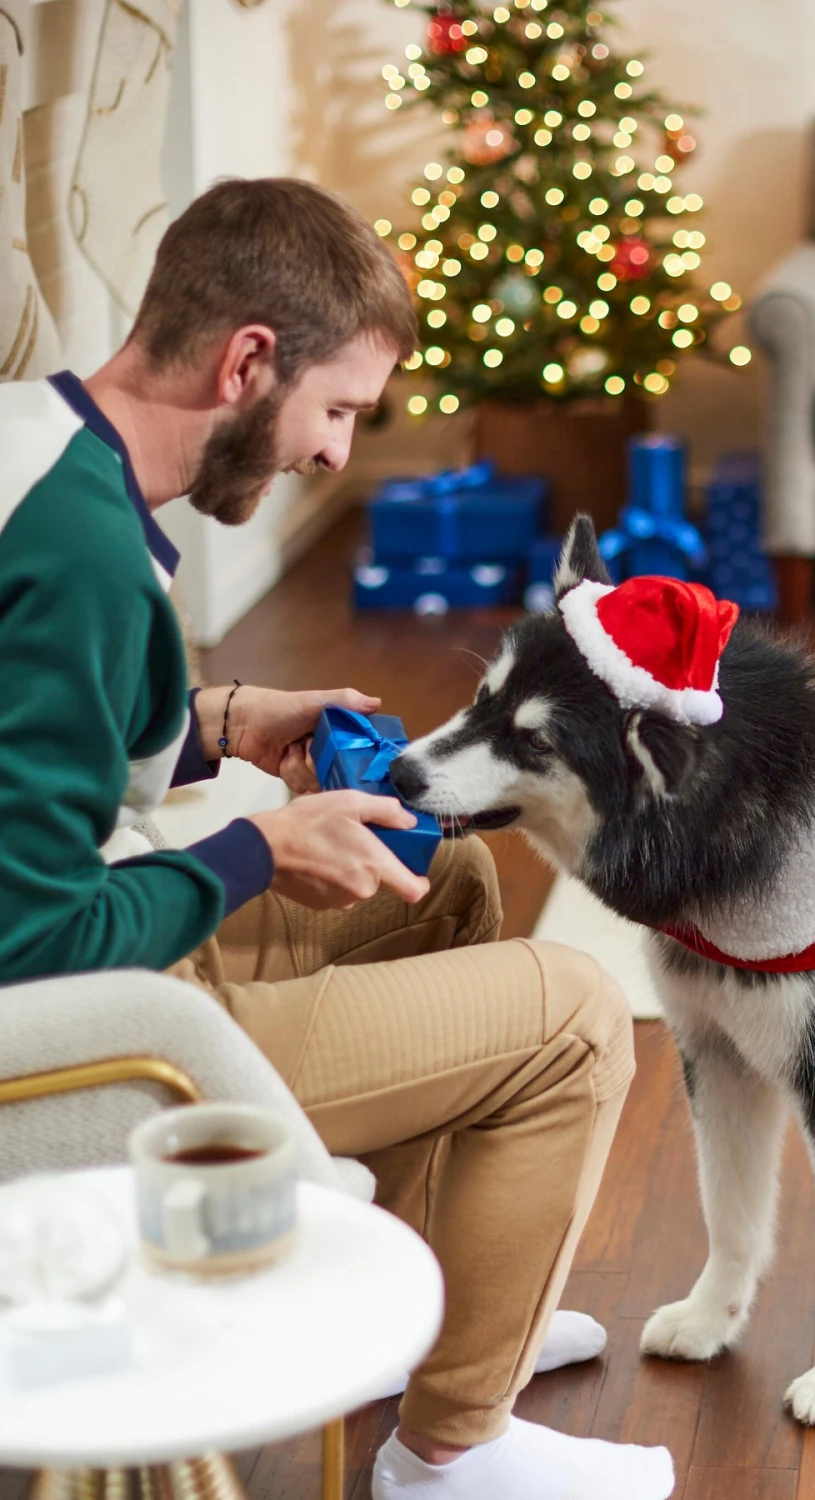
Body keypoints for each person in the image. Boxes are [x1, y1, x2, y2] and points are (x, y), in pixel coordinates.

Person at [0, 178, 672, 1500]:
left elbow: (42, 747)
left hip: (91, 936)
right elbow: (33, 938)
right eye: (339, 410)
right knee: (580, 1015)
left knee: (443, 874)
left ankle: (409, 1330)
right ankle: (450, 1454)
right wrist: (258, 852)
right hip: (73, 1037)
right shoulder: (82, 559)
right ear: (247, 361)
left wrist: (232, 725)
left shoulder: (39, 442)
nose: (332, 456)